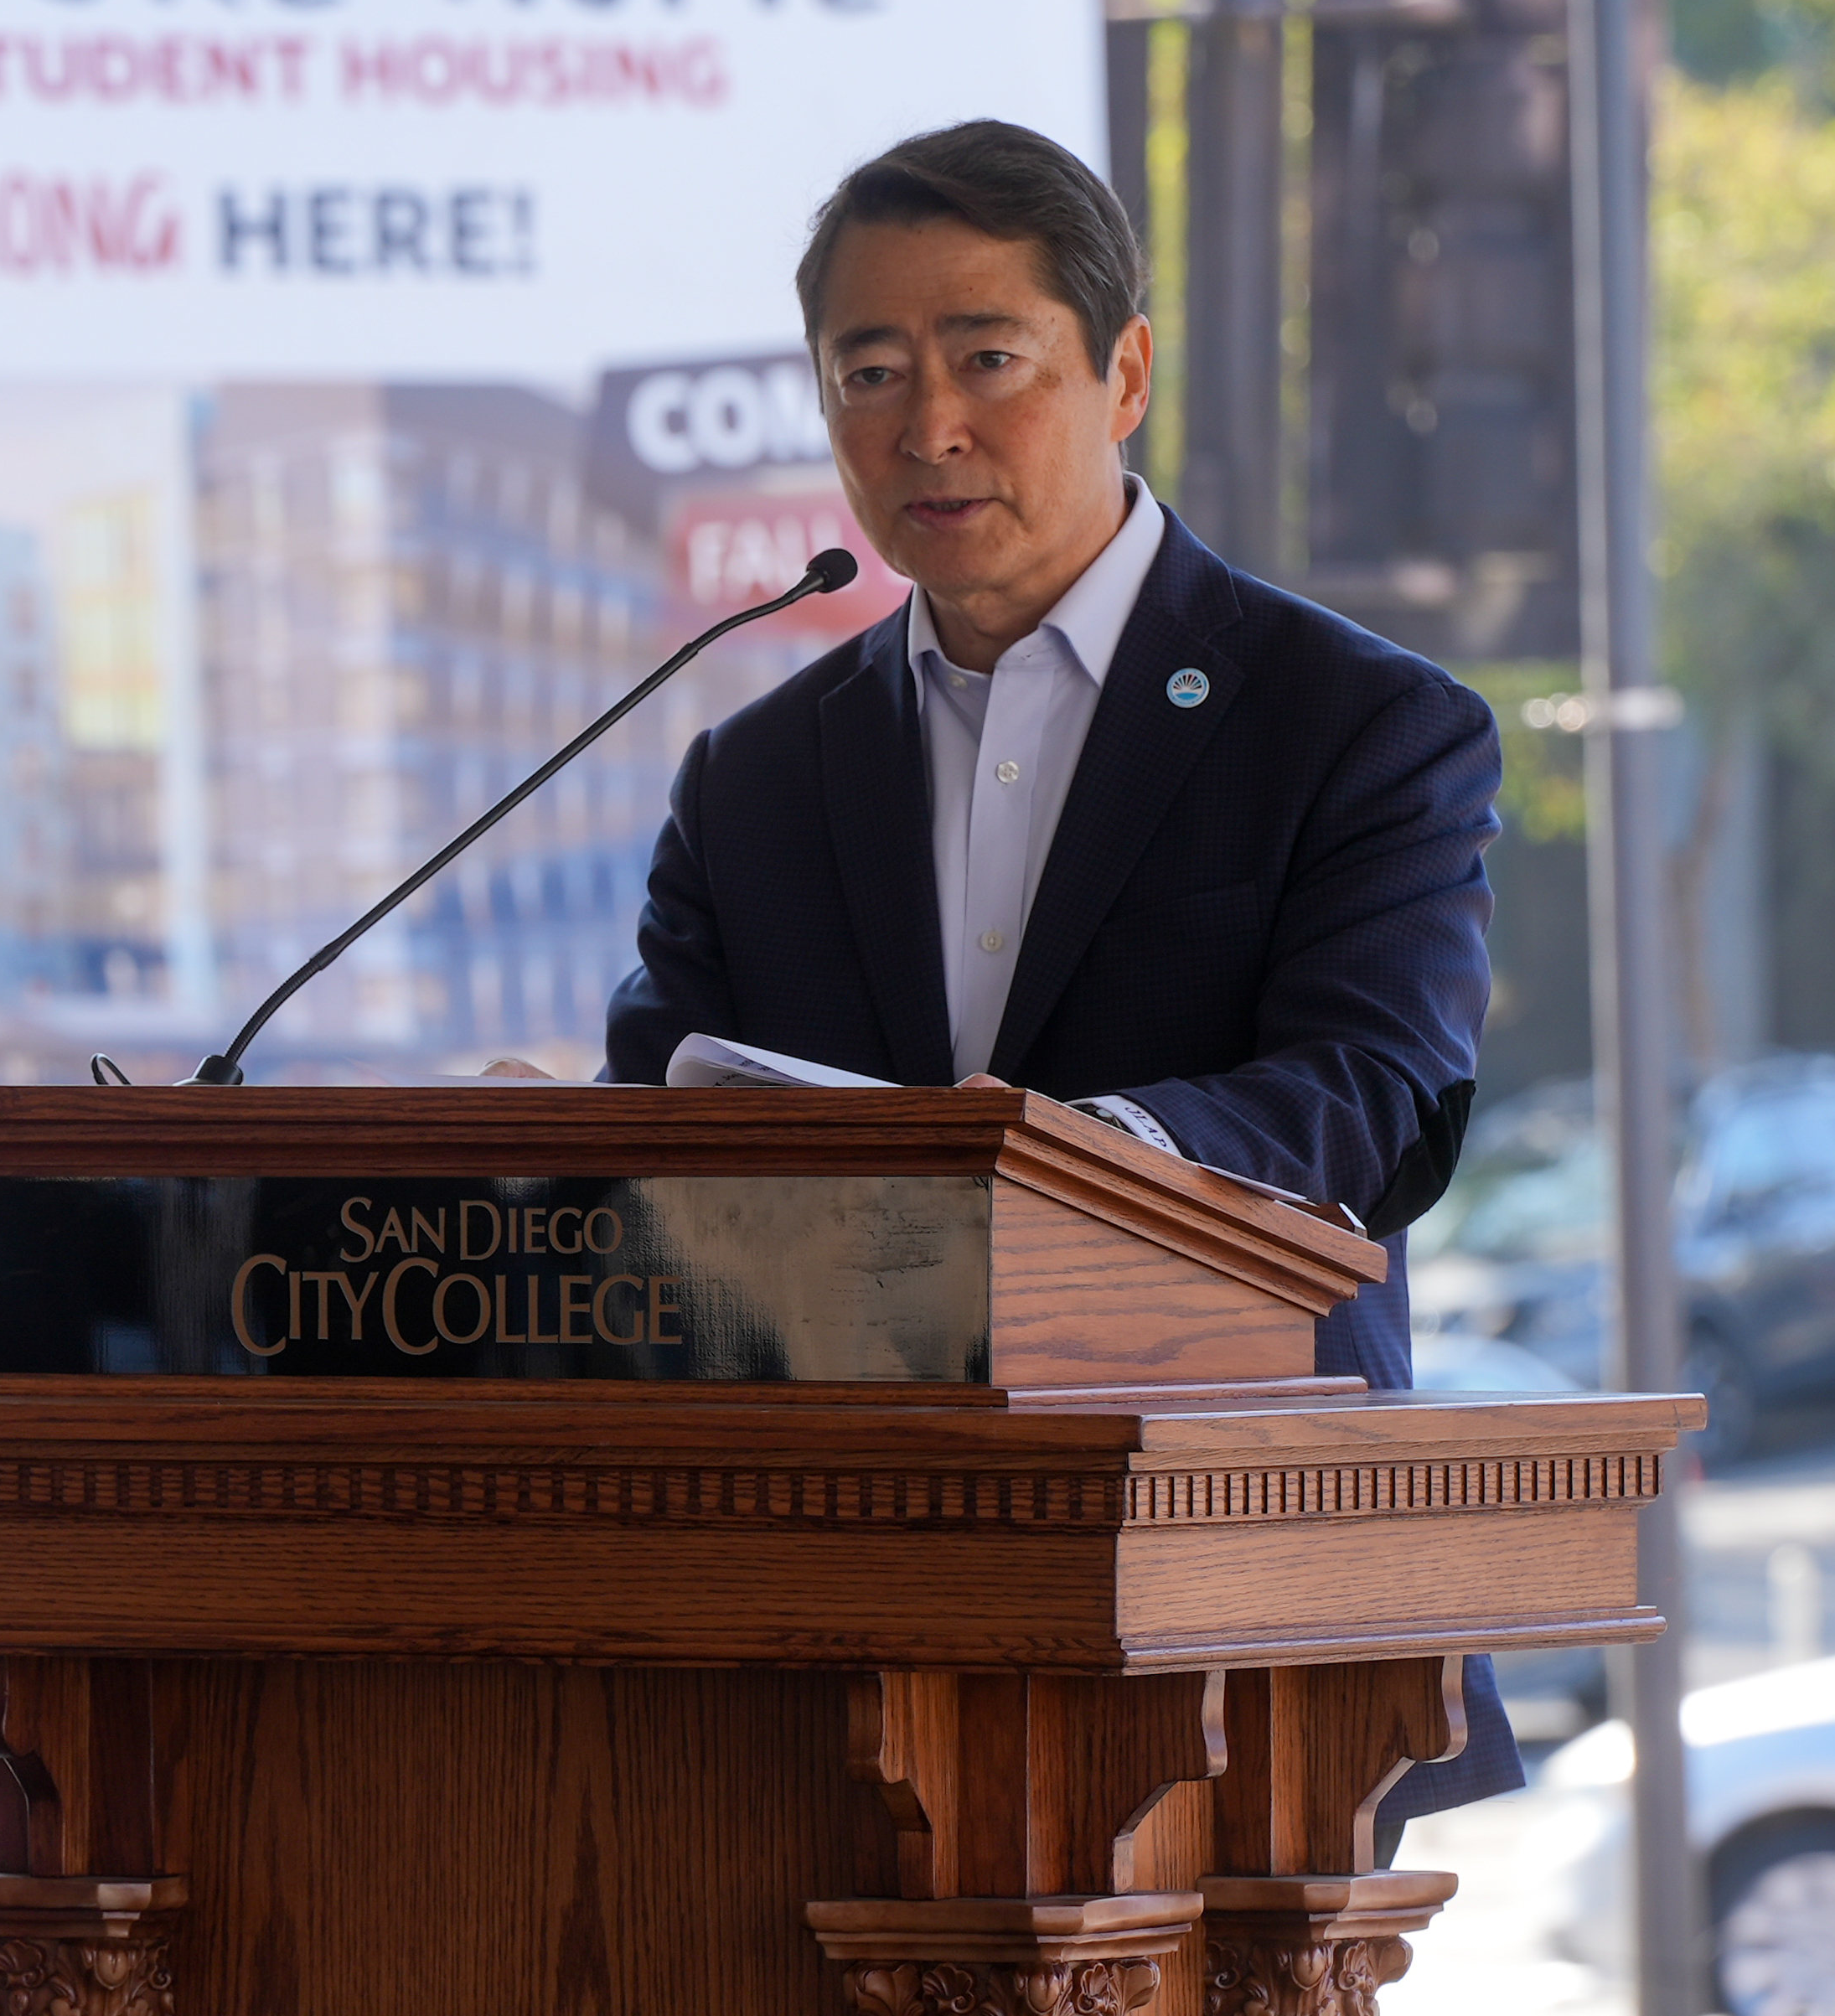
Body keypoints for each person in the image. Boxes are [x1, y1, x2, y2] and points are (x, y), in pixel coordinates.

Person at [600, 118, 1518, 1830]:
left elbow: (1374, 1103)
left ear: (1125, 374)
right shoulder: (755, 777)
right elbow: (661, 1145)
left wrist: (1053, 1167)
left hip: (1238, 1622)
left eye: (986, 358)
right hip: (820, 1640)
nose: (925, 426)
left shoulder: (1360, 726)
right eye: (868, 372)